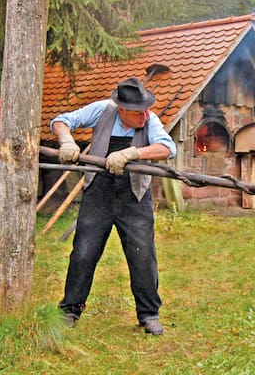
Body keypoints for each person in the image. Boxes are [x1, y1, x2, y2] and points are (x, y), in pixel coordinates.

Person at [51, 77, 176, 336]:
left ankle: (148, 314)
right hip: (99, 192)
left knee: (142, 255)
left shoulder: (150, 119)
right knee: (84, 252)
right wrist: (66, 141)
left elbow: (167, 147)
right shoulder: (103, 110)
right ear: (121, 109)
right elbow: (61, 121)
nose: (143, 115)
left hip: (134, 197)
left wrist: (133, 153)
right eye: (136, 112)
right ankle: (70, 310)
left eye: (145, 110)